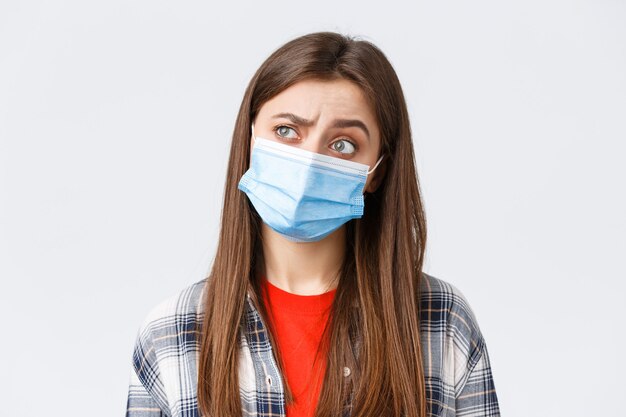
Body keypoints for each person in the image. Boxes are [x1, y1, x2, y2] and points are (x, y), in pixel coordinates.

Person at [125, 32, 500, 417]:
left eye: (343, 145)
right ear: (250, 138)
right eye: (286, 131)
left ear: (375, 172)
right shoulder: (170, 334)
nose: (308, 163)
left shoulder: (441, 321)